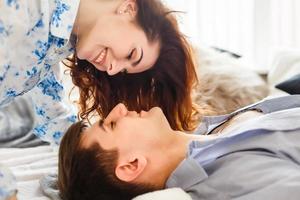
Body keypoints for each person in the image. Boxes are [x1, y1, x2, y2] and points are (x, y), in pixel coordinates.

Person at [0, 0, 198, 145]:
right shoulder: (27, 8)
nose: (112, 71)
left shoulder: (57, 44)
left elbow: (51, 118)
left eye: (124, 71)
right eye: (131, 54)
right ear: (128, 8)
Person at [58, 95, 300, 200]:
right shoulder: (230, 183)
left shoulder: (209, 131)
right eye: (110, 125)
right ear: (131, 165)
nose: (119, 108)